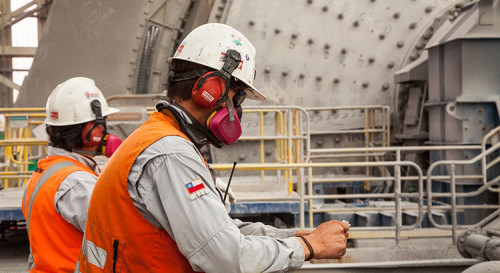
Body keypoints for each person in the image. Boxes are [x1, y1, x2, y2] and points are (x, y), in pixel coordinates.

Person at [77, 23, 349, 273]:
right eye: (237, 96)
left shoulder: (158, 136)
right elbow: (226, 257)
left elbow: (221, 230)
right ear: (211, 88)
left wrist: (296, 238)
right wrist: (311, 248)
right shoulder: (171, 154)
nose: (237, 110)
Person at [21, 77, 122, 272]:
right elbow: (120, 237)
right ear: (91, 131)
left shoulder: (43, 172)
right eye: (103, 124)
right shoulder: (78, 183)